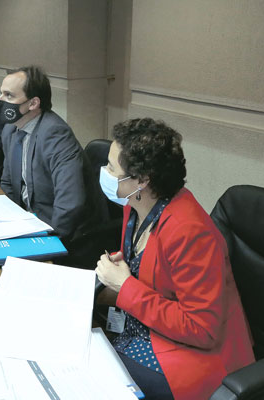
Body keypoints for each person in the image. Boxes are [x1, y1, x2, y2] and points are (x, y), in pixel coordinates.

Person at [95, 118, 254, 400]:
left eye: (111, 168)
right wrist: (101, 290)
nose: (104, 173)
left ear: (142, 180)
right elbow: (147, 279)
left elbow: (202, 329)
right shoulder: (134, 205)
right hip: (146, 327)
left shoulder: (189, 231)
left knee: (93, 375)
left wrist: (125, 286)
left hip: (192, 354)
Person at [0, 66, 105, 246]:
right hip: (28, 223)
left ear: (33, 103)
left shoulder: (56, 135)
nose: (0, 100)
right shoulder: (11, 129)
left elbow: (70, 204)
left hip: (67, 234)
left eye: (9, 96)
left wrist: (47, 243)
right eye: (1, 94)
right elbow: (8, 183)